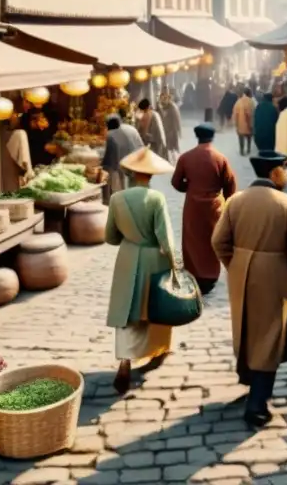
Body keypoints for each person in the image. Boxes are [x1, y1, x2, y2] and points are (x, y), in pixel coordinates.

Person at [212, 150, 287, 428]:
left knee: (247, 327)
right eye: (285, 170)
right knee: (270, 334)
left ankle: (249, 379)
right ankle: (257, 403)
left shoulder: (235, 201)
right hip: (274, 272)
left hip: (241, 272)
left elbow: (218, 241)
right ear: (275, 173)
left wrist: (235, 265)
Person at [104, 146, 178, 394]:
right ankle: (158, 350)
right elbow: (165, 236)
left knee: (127, 309)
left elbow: (111, 237)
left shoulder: (116, 199)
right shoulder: (156, 199)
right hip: (152, 258)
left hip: (127, 258)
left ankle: (125, 361)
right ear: (151, 175)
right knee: (153, 307)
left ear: (131, 173)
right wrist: (174, 261)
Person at [171, 123, 238, 295]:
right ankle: (211, 276)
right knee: (212, 239)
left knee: (193, 239)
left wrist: (191, 188)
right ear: (212, 137)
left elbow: (176, 183)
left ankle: (194, 275)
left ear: (197, 136)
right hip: (214, 206)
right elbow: (230, 184)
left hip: (193, 205)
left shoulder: (186, 158)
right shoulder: (220, 159)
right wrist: (224, 198)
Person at [102, 114, 144, 194]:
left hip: (126, 160)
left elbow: (110, 157)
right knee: (135, 184)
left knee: (122, 181)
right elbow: (141, 144)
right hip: (138, 156)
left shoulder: (111, 134)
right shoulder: (130, 128)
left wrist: (103, 166)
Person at [159, 89, 183, 161]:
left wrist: (178, 131)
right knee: (166, 146)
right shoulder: (161, 107)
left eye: (165, 98)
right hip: (165, 130)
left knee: (172, 147)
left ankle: (174, 160)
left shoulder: (173, 107)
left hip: (171, 131)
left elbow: (177, 120)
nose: (163, 100)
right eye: (162, 98)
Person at [232, 88, 256, 155]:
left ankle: (241, 150)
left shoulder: (238, 101)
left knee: (241, 138)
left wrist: (236, 124)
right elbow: (252, 114)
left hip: (240, 125)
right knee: (249, 138)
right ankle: (248, 149)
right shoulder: (251, 102)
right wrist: (251, 124)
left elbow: (235, 114)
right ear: (249, 94)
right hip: (249, 124)